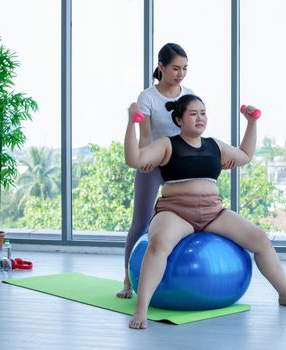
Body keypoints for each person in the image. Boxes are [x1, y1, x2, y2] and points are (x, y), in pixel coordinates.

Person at [124, 94, 286, 330]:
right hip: (175, 211)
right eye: (193, 114)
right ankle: (141, 308)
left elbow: (245, 156)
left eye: (203, 113)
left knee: (260, 239)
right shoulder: (167, 144)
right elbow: (135, 159)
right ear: (179, 119)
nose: (200, 118)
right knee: (158, 243)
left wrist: (252, 123)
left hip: (213, 211)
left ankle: (285, 294)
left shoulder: (215, 145)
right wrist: (131, 123)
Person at [116, 43, 194, 299]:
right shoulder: (147, 97)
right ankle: (128, 281)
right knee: (141, 222)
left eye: (184, 68)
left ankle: (178, 277)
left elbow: (192, 132)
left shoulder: (189, 94)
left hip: (180, 164)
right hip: (154, 163)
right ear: (161, 67)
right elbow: (145, 136)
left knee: (186, 220)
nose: (180, 73)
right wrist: (145, 158)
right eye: (175, 68)